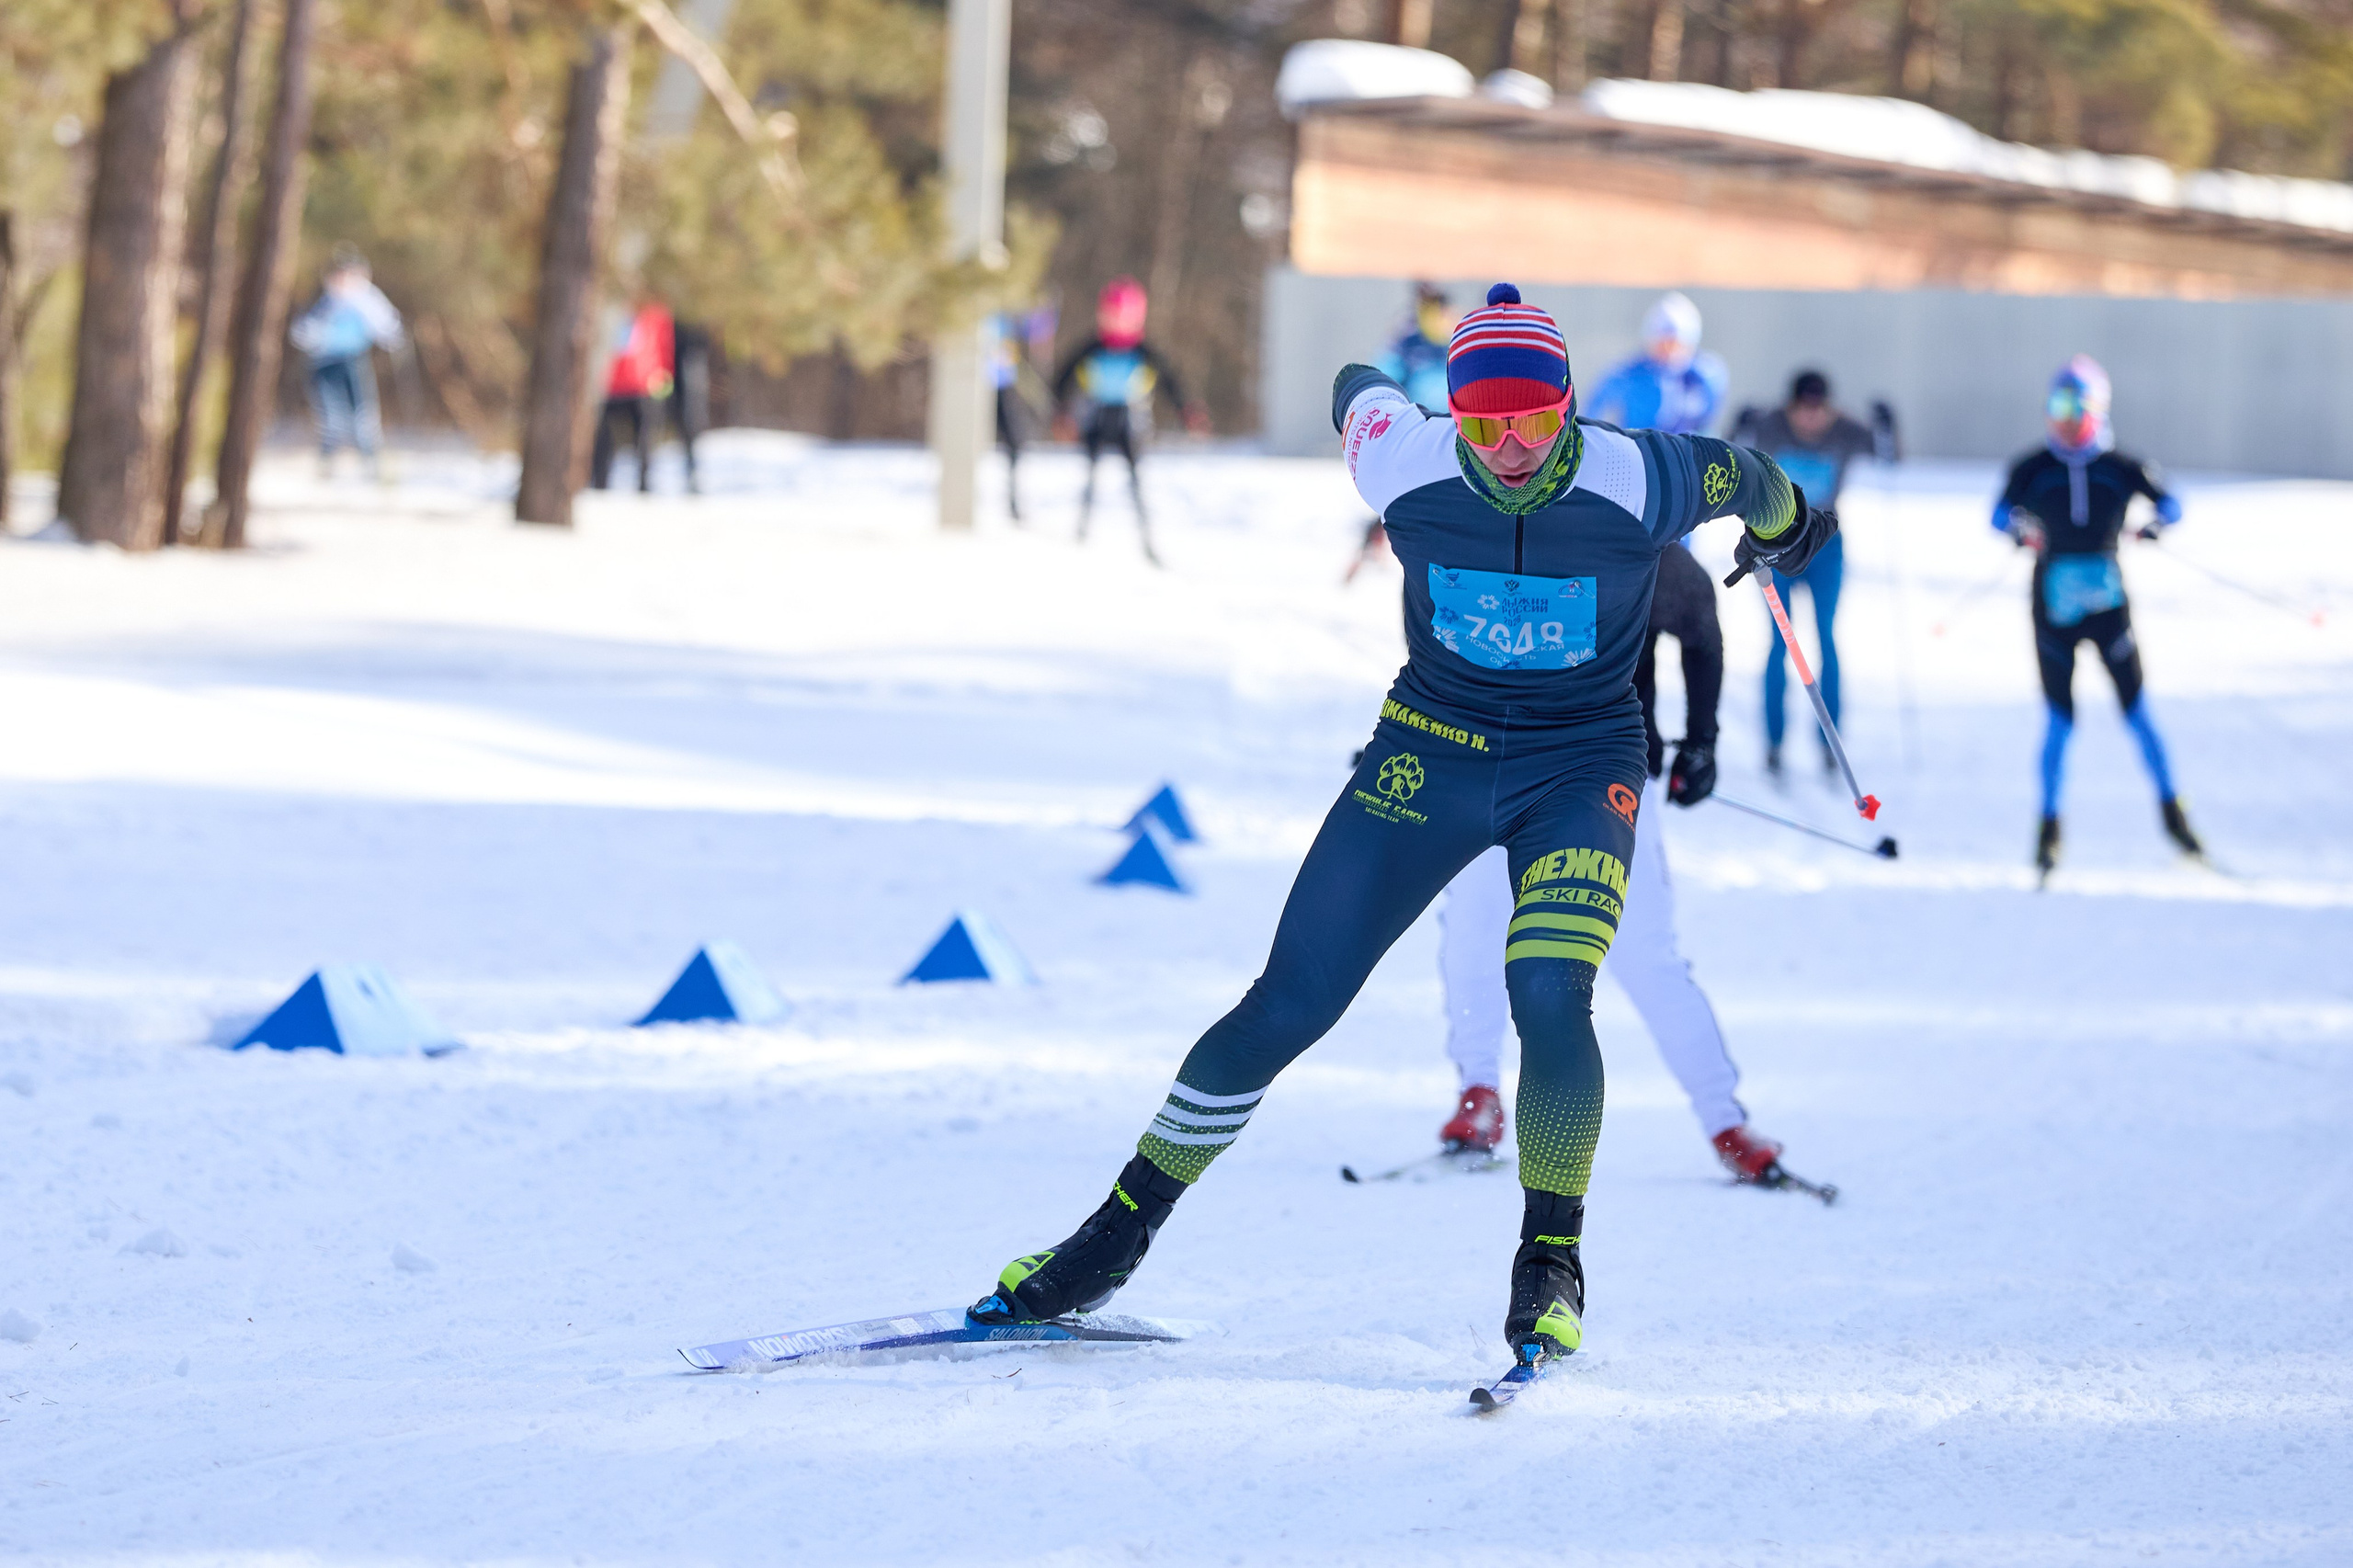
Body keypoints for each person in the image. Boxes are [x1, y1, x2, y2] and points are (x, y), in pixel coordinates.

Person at [970, 284, 1836, 1379]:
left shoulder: (1641, 471)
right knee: (1286, 1001)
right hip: (1429, 752)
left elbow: (1754, 478)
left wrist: (1792, 527)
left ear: (1571, 404)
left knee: (1546, 987)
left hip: (1580, 767)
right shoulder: (1403, 454)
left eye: (1534, 418)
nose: (1511, 446)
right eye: (1481, 422)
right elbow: (1352, 388)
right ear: (1452, 417)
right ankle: (1112, 1235)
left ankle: (1550, 1261)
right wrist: (1385, 399)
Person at [1432, 541, 1816, 1189]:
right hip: (1491, 767)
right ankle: (1478, 1094)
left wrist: (1702, 739)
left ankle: (1725, 1122)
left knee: (1645, 955)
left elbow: (1700, 630)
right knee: (1473, 930)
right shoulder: (1486, 523)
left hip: (1605, 779)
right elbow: (1439, 645)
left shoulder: (1628, 530)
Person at [1995, 355, 2201, 879]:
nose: (2062, 418)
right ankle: (2049, 830)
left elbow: (2173, 503)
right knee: (2060, 721)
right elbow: (1998, 513)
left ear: (2096, 408)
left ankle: (2175, 815)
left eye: (2073, 405)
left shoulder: (2120, 466)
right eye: (2054, 405)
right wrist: (2021, 531)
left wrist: (2155, 526)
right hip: (2052, 606)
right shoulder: (2032, 467)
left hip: (2108, 605)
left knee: (2137, 712)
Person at [1730, 371, 1899, 776]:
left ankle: (1828, 741)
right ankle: (1773, 742)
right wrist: (1739, 425)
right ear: (1789, 407)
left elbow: (1889, 456)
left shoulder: (1845, 430)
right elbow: (1730, 455)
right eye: (1802, 410)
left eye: (1817, 411)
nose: (1809, 419)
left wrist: (1888, 427)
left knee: (1827, 638)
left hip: (1825, 546)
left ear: (1829, 408)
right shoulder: (1771, 426)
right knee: (1779, 641)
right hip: (1776, 545)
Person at [1051, 278, 1205, 565]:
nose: (1116, 322)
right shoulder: (1092, 348)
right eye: (1111, 315)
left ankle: (1146, 536)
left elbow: (1171, 383)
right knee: (1091, 475)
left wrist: (1187, 411)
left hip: (1130, 419)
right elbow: (1064, 378)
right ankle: (1082, 530)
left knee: (1136, 480)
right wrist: (1062, 412)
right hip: (1096, 416)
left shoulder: (1144, 352)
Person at [1347, 284, 1455, 583]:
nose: (1441, 316)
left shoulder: (1450, 337)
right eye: (1435, 310)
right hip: (1416, 429)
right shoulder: (1408, 341)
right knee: (1402, 494)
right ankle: (1375, 543)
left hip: (1447, 430)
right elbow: (1384, 375)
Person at [289, 247, 404, 479]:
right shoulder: (323, 299)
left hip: (354, 360)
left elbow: (388, 325)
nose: (344, 280)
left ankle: (372, 463)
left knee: (364, 414)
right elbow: (300, 331)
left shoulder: (367, 298)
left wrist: (391, 337)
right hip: (324, 363)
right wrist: (316, 332)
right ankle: (327, 463)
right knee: (330, 417)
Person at [1584, 291, 1727, 436]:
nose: (1669, 352)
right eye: (1662, 344)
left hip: (1688, 454)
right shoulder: (1629, 374)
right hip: (1639, 452)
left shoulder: (1706, 375)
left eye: (1675, 345)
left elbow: (1708, 424)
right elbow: (1592, 411)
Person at [591, 296, 676, 493]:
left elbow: (664, 348)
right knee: (603, 440)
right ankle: (599, 483)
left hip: (643, 385)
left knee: (645, 439)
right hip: (609, 385)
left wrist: (663, 374)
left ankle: (644, 486)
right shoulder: (608, 309)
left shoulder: (656, 313)